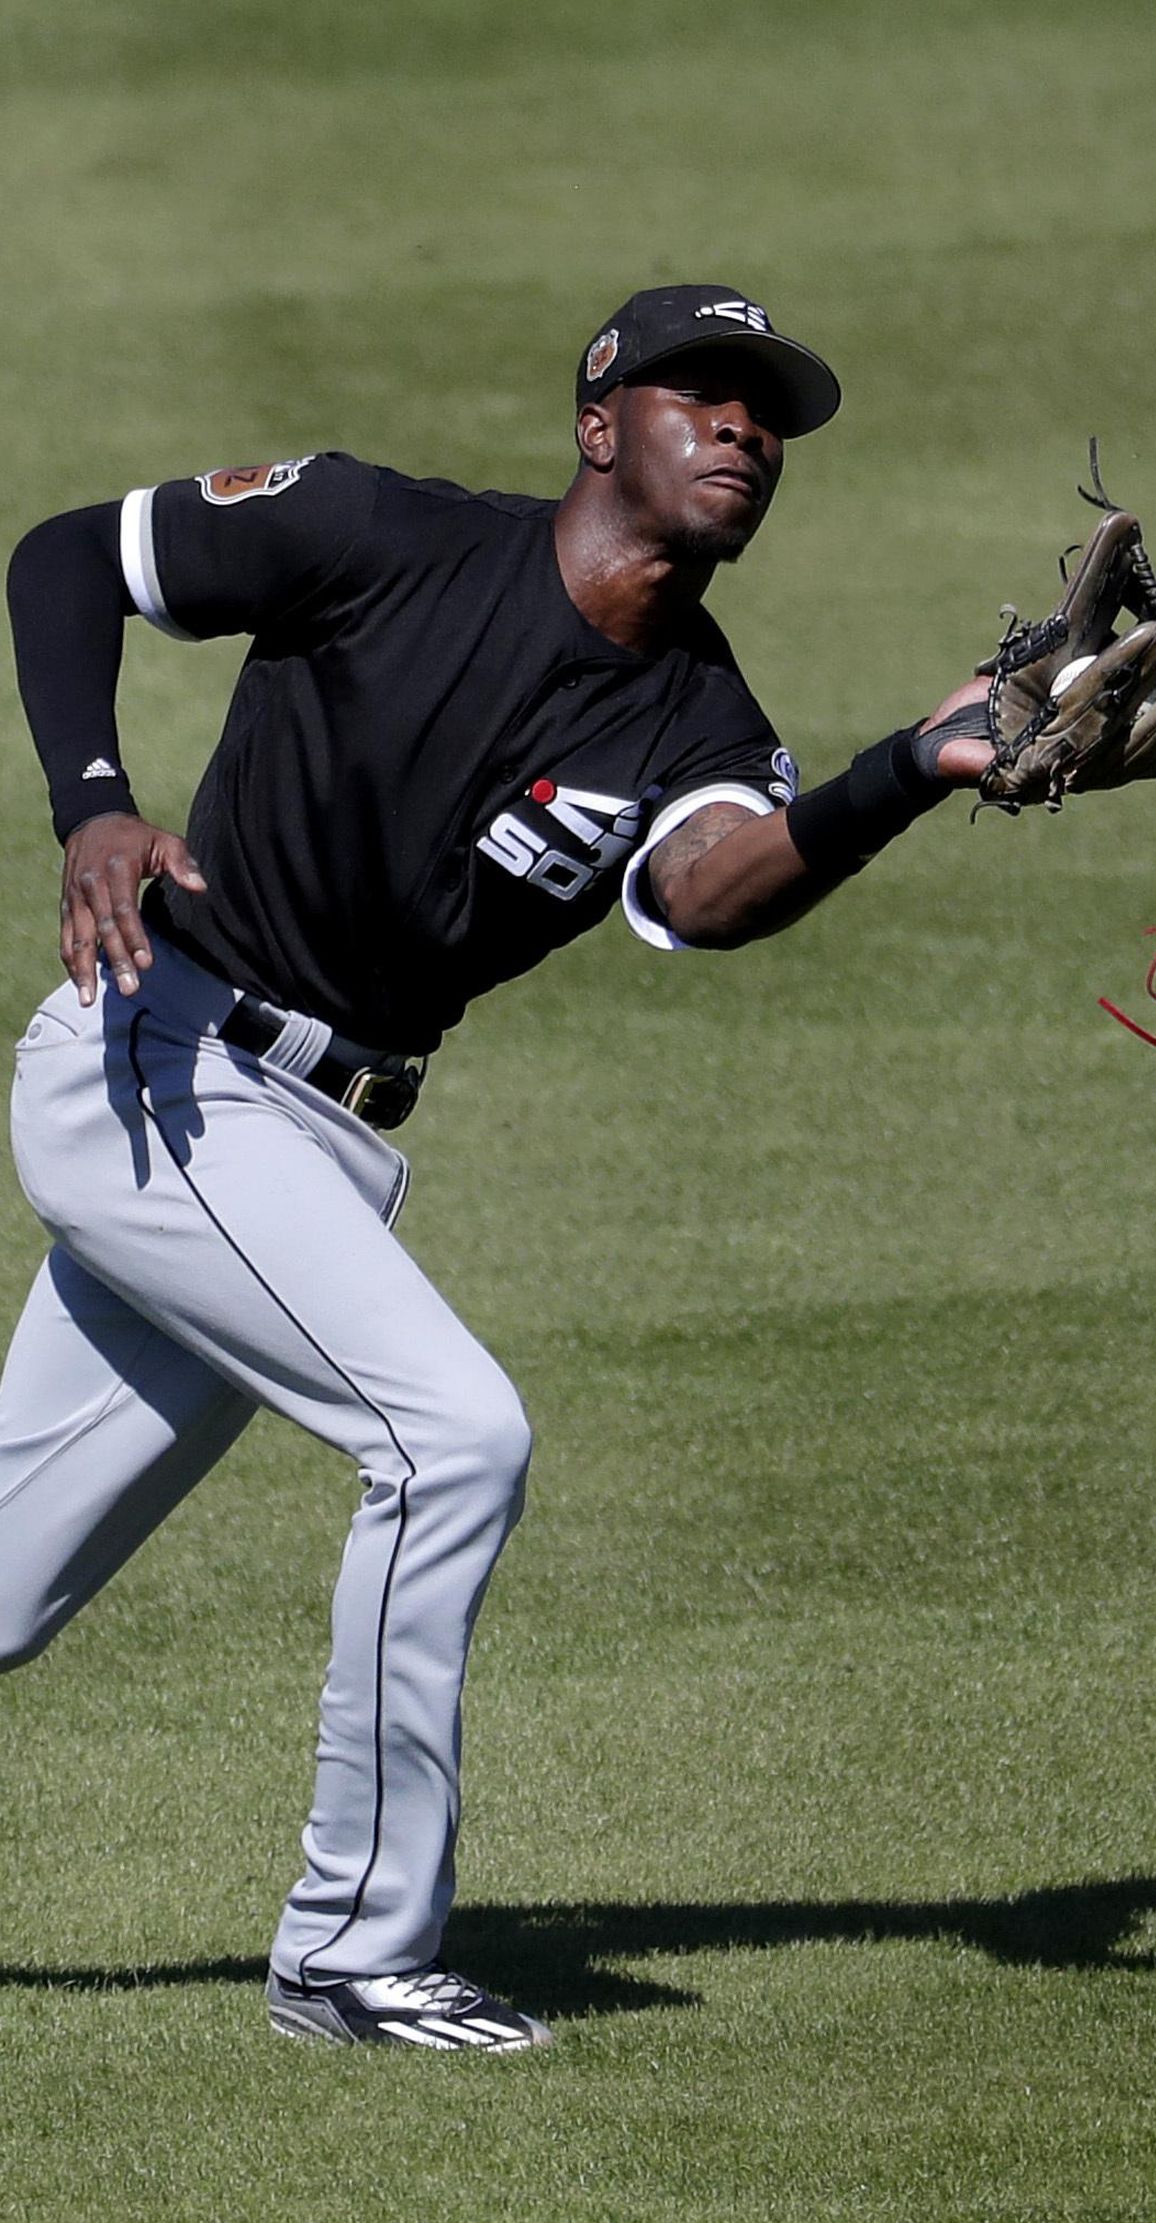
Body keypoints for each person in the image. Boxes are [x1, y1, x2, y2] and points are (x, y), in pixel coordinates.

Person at [1, 284, 1012, 2051]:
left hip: (308, 1145)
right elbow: (68, 555)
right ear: (599, 420)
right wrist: (92, 798)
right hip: (158, 1064)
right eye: (709, 394)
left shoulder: (696, 714)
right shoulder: (370, 533)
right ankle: (352, 1951)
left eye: (770, 415)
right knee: (451, 1439)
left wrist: (911, 768)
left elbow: (711, 891)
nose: (747, 433)